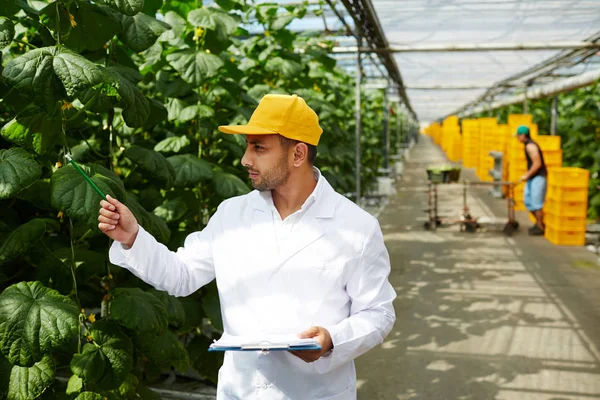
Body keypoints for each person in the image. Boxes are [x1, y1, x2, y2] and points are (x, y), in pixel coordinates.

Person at [98, 94, 396, 399]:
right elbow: (181, 275)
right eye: (247, 146)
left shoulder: (355, 228)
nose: (245, 159)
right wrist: (132, 237)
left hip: (316, 392)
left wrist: (333, 339)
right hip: (240, 390)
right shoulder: (232, 215)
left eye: (259, 147)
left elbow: (377, 312)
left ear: (298, 154)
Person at [516, 125, 547, 236]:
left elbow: (537, 163)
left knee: (536, 203)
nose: (517, 138)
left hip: (538, 177)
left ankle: (540, 226)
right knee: (528, 202)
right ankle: (539, 223)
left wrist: (526, 175)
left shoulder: (531, 146)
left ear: (523, 135)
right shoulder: (527, 145)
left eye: (518, 136)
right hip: (533, 178)